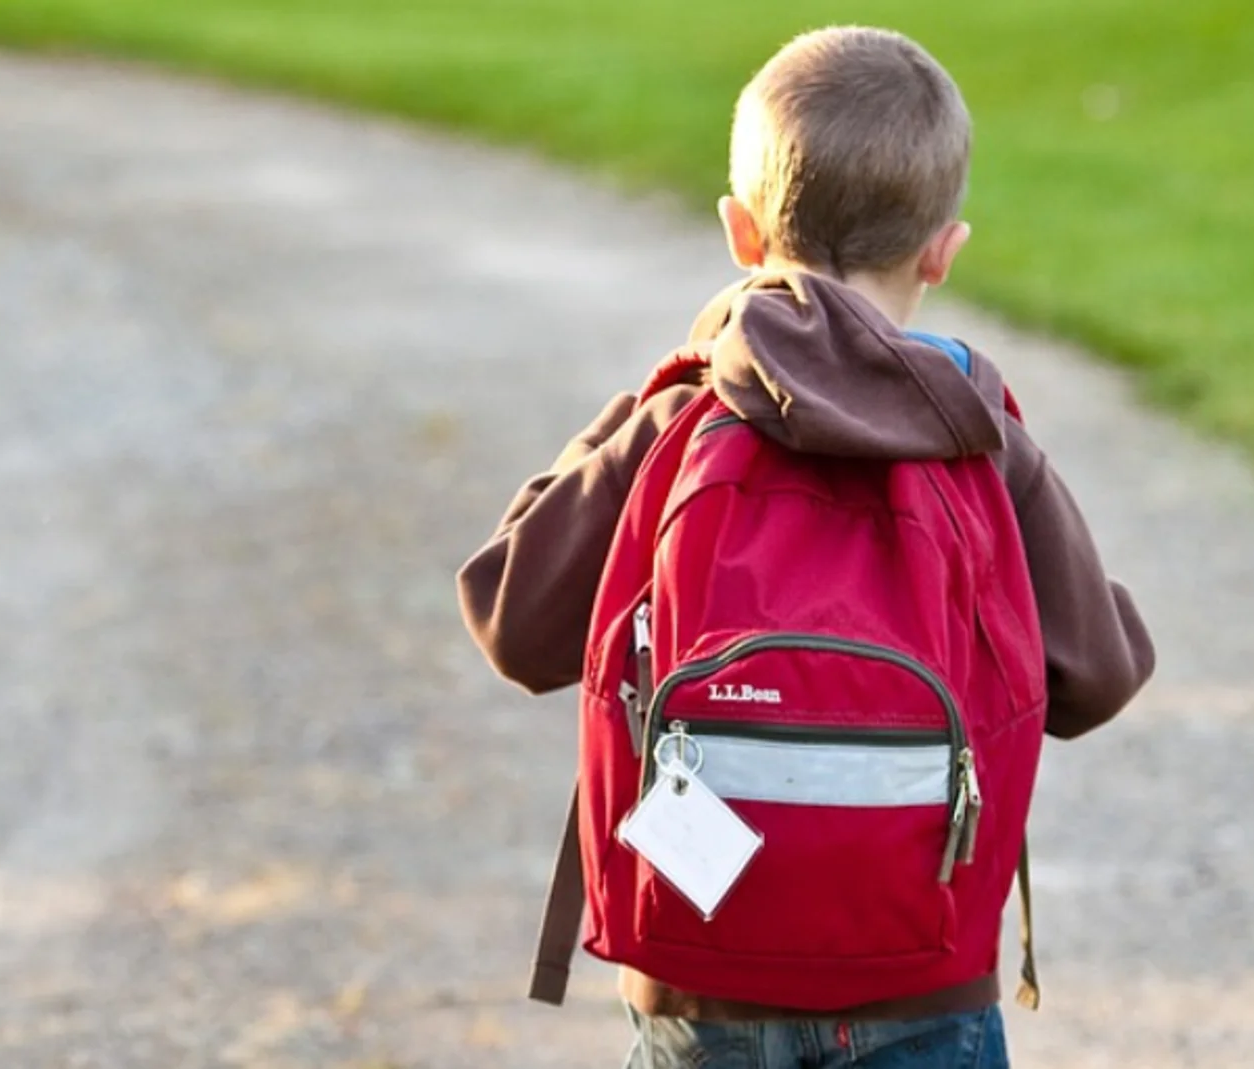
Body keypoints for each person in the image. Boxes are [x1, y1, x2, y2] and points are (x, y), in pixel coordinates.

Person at [458, 25, 1156, 1069]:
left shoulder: (681, 419)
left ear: (740, 233)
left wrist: (643, 406)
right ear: (942, 250)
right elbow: (1097, 677)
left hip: (701, 973)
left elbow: (514, 620)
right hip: (923, 972)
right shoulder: (980, 435)